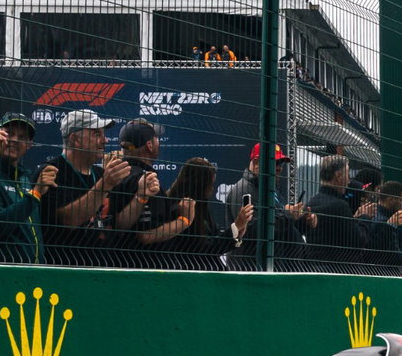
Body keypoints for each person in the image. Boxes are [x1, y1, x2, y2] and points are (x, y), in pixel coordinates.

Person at [39, 108, 127, 267]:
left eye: (103, 134)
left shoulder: (101, 174)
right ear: (75, 139)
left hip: (104, 269)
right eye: (96, 134)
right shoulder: (51, 172)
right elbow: (68, 220)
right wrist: (105, 185)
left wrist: (141, 195)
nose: (105, 140)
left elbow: (119, 225)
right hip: (65, 269)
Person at [108, 118, 192, 267]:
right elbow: (146, 234)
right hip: (146, 266)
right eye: (156, 139)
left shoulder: (115, 175)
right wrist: (184, 220)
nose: (159, 143)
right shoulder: (146, 180)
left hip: (120, 261)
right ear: (149, 145)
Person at [0, 112, 57, 264]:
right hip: (1, 271)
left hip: (32, 272)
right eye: (9, 133)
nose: (14, 140)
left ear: (29, 145)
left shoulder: (24, 178)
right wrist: (35, 194)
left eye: (22, 137)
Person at [226, 143, 312, 270]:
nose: (279, 168)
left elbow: (281, 228)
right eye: (274, 162)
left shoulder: (270, 191)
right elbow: (253, 231)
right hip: (252, 271)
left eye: (280, 163)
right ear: (256, 163)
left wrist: (301, 222)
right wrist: (288, 215)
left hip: (273, 269)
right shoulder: (244, 191)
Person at [157, 157, 250, 270]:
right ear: (199, 184)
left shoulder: (201, 207)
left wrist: (237, 233)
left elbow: (214, 238)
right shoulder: (181, 209)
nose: (212, 189)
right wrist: (235, 227)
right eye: (210, 184)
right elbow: (205, 248)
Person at [305, 152, 366, 268]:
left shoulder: (311, 202)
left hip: (314, 267)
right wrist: (363, 217)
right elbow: (358, 241)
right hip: (340, 270)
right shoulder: (339, 206)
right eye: (347, 175)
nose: (349, 181)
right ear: (338, 176)